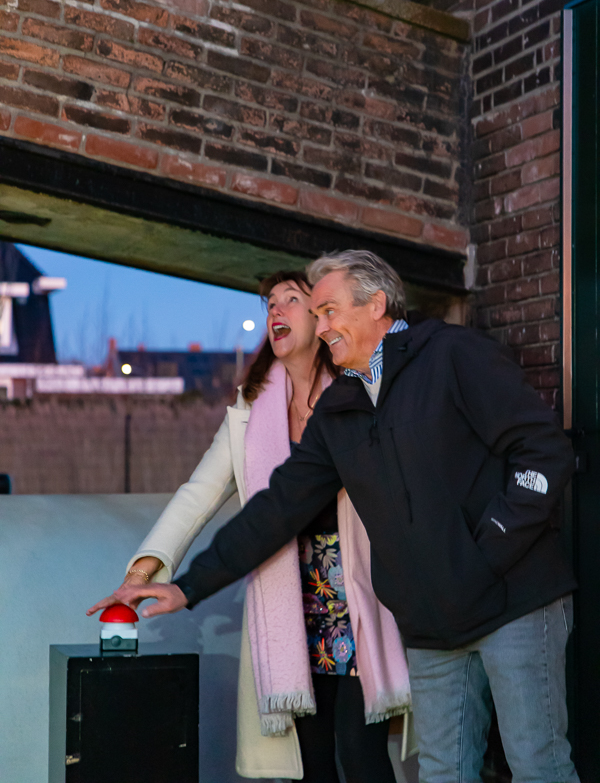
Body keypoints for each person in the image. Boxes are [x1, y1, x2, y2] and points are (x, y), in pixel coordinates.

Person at [119, 250, 579, 783]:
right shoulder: (339, 410)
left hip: (514, 602)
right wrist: (189, 586)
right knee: (442, 774)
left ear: (376, 305)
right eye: (317, 315)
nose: (322, 326)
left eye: (329, 311)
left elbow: (543, 451)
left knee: (536, 766)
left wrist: (488, 550)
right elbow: (276, 508)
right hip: (433, 625)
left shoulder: (454, 355)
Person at [88, 269, 411, 783]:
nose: (275, 310)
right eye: (269, 304)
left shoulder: (358, 394)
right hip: (290, 606)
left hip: (358, 598)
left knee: (362, 753)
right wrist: (146, 571)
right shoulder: (249, 412)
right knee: (314, 764)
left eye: (292, 299)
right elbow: (198, 495)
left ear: (321, 315)